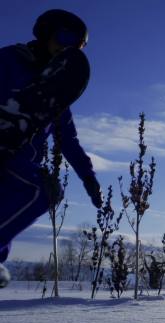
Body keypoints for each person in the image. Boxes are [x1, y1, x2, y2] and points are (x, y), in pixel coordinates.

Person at [0, 9, 103, 288]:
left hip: (20, 166)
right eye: (65, 37)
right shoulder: (10, 61)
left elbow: (68, 141)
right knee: (40, 191)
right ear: (46, 33)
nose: (68, 48)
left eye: (78, 46)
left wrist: (89, 178)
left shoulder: (57, 95)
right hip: (10, 158)